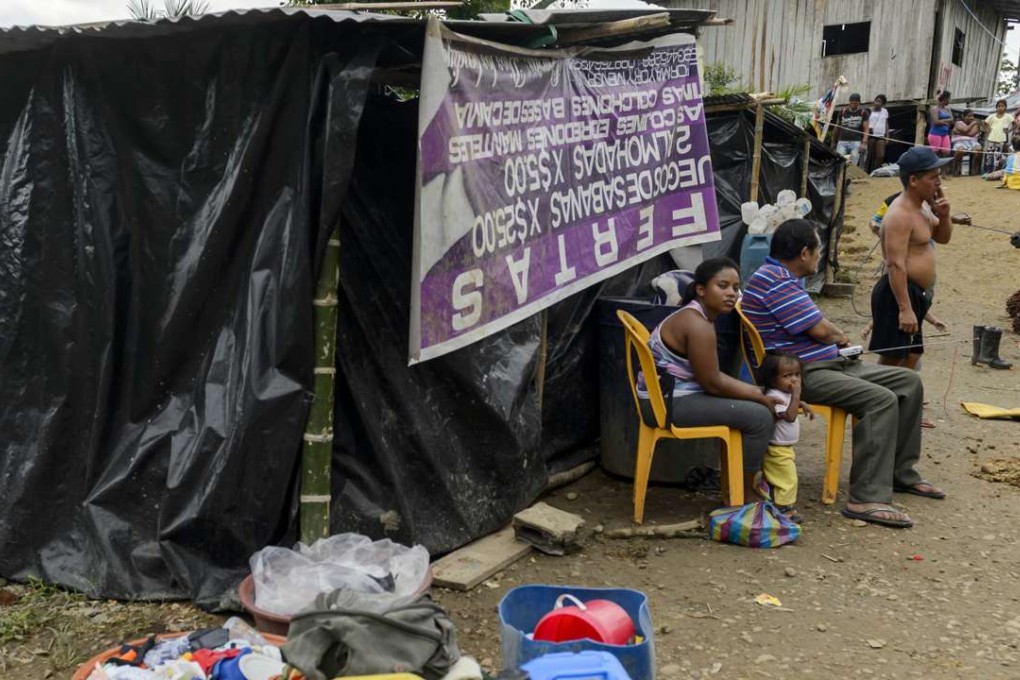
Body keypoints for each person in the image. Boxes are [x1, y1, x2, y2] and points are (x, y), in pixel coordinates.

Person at [742, 219, 944, 530]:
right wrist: (841, 338)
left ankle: (899, 473)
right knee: (880, 400)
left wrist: (838, 342)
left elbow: (816, 326)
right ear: (805, 252)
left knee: (909, 381)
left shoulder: (781, 276)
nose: (819, 257)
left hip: (827, 364)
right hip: (801, 374)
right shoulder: (776, 281)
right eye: (818, 250)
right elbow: (821, 329)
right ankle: (866, 497)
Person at [636, 258, 781, 499]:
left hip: (667, 396)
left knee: (757, 402)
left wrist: (759, 393)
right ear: (701, 290)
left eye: (735, 288)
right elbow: (712, 383)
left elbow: (712, 379)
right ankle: (744, 496)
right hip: (666, 404)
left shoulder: (696, 317)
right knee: (760, 418)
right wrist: (759, 393)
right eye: (722, 286)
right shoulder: (697, 324)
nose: (731, 294)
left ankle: (736, 485)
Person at [868, 147, 954, 376]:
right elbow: (895, 264)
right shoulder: (899, 215)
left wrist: (944, 215)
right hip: (896, 294)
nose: (939, 183)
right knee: (893, 357)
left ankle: (896, 401)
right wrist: (905, 308)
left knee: (913, 354)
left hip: (914, 293)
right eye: (933, 177)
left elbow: (942, 238)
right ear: (914, 180)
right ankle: (875, 403)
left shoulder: (923, 207)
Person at [757, 352, 813, 523]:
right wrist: (797, 395)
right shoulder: (776, 397)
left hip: (784, 447)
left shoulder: (785, 394)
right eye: (787, 376)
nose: (794, 380)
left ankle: (774, 504)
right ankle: (784, 509)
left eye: (797, 375)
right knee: (787, 479)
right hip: (776, 449)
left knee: (779, 477)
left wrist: (801, 403)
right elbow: (789, 416)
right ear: (773, 380)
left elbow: (793, 405)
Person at [833, 93, 869, 166]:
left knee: (853, 163)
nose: (853, 105)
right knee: (839, 161)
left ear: (859, 103)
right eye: (851, 103)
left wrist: (864, 143)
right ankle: (839, 177)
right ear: (849, 102)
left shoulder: (863, 113)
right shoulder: (842, 112)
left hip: (856, 142)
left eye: (855, 103)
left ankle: (849, 177)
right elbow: (837, 127)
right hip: (842, 141)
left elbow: (866, 129)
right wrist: (833, 141)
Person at [982, 99, 1012, 173]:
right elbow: (984, 123)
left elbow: (1015, 124)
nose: (1000, 107)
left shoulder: (1008, 116)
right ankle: (988, 172)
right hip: (991, 138)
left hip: (1001, 139)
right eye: (998, 106)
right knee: (989, 156)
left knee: (997, 156)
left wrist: (1009, 130)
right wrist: (987, 129)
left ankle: (995, 172)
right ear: (996, 107)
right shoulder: (992, 116)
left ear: (1005, 107)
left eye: (1002, 106)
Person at [928, 91, 953, 175]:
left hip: (944, 134)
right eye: (948, 99)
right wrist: (946, 122)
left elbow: (952, 120)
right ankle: (933, 172)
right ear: (944, 99)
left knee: (946, 153)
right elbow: (935, 122)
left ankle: (943, 173)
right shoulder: (934, 109)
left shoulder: (947, 109)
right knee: (935, 153)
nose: (949, 101)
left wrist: (942, 121)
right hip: (935, 134)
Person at [950, 109, 982, 175]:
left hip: (973, 142)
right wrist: (972, 124)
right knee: (960, 150)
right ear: (964, 117)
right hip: (959, 142)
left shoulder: (976, 124)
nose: (971, 118)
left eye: (972, 116)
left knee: (978, 149)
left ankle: (973, 170)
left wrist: (961, 132)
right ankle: (955, 169)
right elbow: (965, 130)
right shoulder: (959, 123)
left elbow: (971, 134)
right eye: (969, 116)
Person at [866, 94, 890, 173]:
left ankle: (875, 171)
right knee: (869, 155)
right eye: (876, 101)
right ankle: (866, 171)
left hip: (881, 135)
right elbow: (865, 122)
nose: (877, 103)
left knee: (880, 155)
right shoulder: (869, 110)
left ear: (882, 104)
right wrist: (868, 128)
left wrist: (887, 136)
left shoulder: (885, 111)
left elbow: (886, 124)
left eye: (880, 102)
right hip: (871, 135)